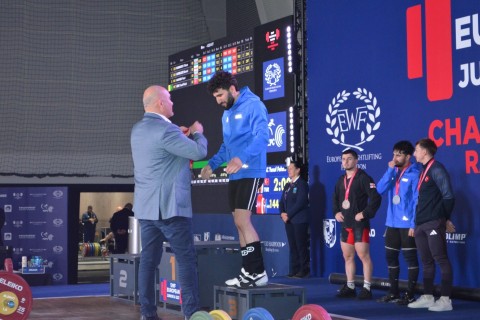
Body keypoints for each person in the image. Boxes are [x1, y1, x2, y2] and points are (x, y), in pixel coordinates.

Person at [131, 85, 207, 320]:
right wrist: (197, 132)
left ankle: (147, 314)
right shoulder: (167, 130)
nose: (173, 103)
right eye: (170, 99)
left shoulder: (137, 130)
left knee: (148, 261)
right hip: (171, 209)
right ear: (161, 104)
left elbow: (163, 154)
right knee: (185, 260)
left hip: (146, 208)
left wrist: (179, 134)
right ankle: (191, 314)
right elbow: (198, 153)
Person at [200, 71, 269, 288]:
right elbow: (226, 146)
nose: (219, 101)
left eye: (220, 95)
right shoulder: (226, 114)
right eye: (215, 98)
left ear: (232, 89)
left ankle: (258, 272)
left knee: (242, 221)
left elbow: (263, 136)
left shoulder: (254, 105)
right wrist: (212, 164)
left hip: (251, 170)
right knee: (238, 224)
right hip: (235, 173)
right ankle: (247, 271)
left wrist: (242, 158)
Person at [408, 138, 455, 312]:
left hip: (434, 221)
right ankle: (428, 296)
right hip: (420, 223)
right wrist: (415, 223)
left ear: (425, 152)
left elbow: (448, 196)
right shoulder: (423, 171)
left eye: (416, 150)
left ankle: (445, 299)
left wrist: (445, 218)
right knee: (426, 261)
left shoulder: (437, 169)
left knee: (440, 259)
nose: (414, 153)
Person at [333, 149, 381, 300]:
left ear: (356, 160)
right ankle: (350, 286)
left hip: (360, 225)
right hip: (345, 224)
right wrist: (336, 212)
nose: (345, 162)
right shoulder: (341, 180)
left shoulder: (363, 178)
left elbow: (376, 198)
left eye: (349, 159)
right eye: (343, 159)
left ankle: (367, 288)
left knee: (364, 256)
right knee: (347, 256)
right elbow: (335, 199)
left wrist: (365, 213)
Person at [376, 141, 420, 305]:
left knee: (410, 259)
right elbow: (380, 189)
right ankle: (393, 292)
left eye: (398, 155)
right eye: (394, 154)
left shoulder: (415, 173)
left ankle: (409, 294)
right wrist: (389, 170)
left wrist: (414, 224)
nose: (394, 158)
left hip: (407, 225)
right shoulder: (392, 171)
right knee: (391, 257)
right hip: (391, 223)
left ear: (408, 157)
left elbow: (417, 201)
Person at [279, 159, 310, 278]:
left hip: (299, 220)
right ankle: (294, 269)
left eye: (291, 168)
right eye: (288, 168)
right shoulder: (288, 185)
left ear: (298, 170)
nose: (289, 170)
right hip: (289, 221)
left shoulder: (302, 184)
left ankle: (304, 269)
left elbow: (301, 202)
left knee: (300, 245)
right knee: (292, 245)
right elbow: (281, 201)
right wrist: (282, 213)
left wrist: (288, 214)